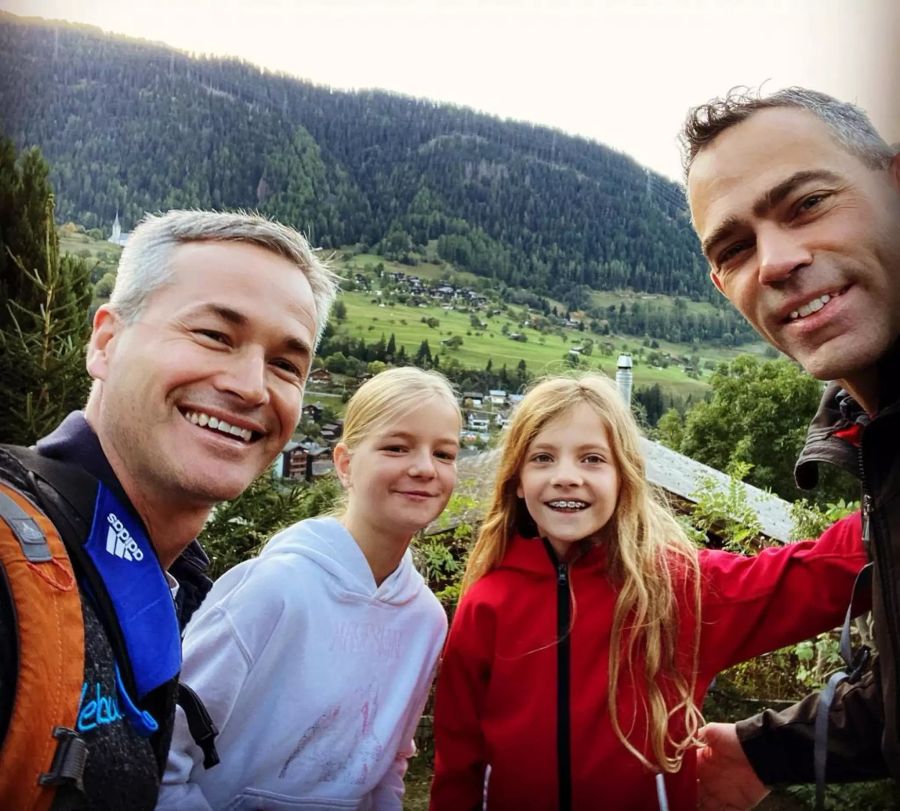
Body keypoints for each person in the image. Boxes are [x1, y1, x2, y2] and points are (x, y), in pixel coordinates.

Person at [0, 209, 337, 811]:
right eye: (213, 334)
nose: (252, 386)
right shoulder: (13, 558)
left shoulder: (178, 583)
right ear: (106, 343)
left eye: (286, 364)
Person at [428, 373, 868, 811]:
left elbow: (816, 575)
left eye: (592, 459)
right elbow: (457, 761)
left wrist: (885, 501)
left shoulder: (677, 588)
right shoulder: (487, 602)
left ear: (624, 477)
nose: (566, 477)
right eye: (542, 458)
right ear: (518, 481)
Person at [680, 86, 900, 805]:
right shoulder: (877, 448)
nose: (774, 261)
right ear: (722, 285)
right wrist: (759, 749)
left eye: (807, 203)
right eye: (736, 248)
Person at [158, 366, 460, 811]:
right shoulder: (273, 589)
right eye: (396, 447)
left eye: (445, 454)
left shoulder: (426, 621)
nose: (423, 468)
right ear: (345, 463)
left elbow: (388, 766)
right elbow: (167, 748)